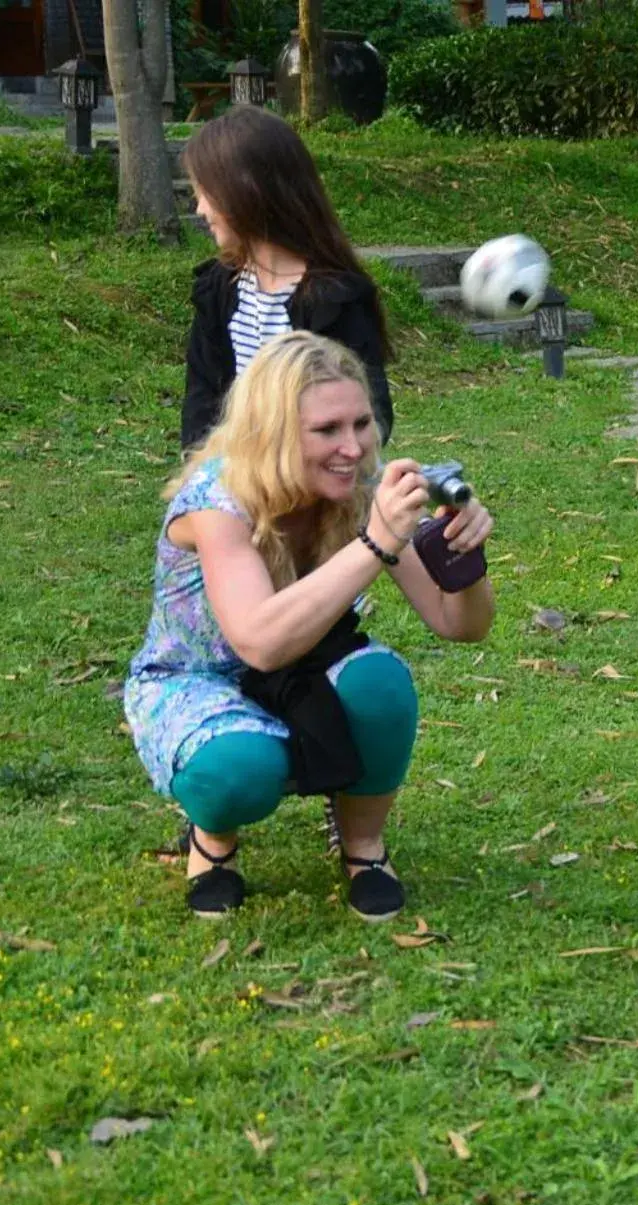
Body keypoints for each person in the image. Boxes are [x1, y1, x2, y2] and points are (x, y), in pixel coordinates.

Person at [124, 331, 495, 918]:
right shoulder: (215, 502)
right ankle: (212, 843)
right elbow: (261, 642)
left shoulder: (356, 490)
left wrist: (464, 560)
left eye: (361, 424)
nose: (353, 447)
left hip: (305, 666)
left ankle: (364, 847)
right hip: (199, 676)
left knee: (381, 684)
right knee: (239, 768)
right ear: (271, 433)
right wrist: (375, 542)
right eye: (327, 430)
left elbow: (459, 625)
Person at [179, 105, 395, 453]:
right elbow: (201, 407)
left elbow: (373, 416)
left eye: (205, 193)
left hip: (319, 484)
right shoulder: (218, 290)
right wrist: (210, 475)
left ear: (245, 191)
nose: (200, 209)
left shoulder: (334, 300)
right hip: (238, 480)